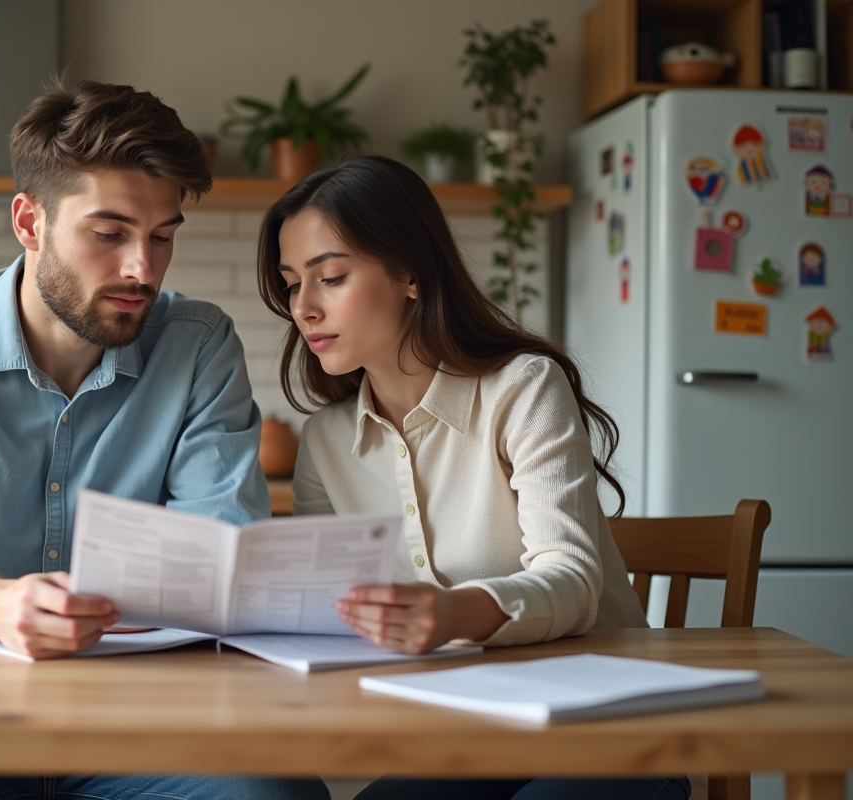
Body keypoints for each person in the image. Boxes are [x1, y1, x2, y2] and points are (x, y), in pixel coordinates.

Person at [0, 77, 329, 800]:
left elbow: (220, 558)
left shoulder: (199, 345)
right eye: (109, 234)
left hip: (147, 724)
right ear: (29, 222)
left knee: (277, 795)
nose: (142, 269)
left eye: (163, 236)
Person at [255, 155, 688, 800]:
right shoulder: (325, 441)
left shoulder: (523, 389)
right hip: (462, 736)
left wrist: (455, 612)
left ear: (410, 274)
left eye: (332, 277)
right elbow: (328, 615)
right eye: (293, 285)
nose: (304, 308)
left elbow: (573, 581)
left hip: (608, 725)